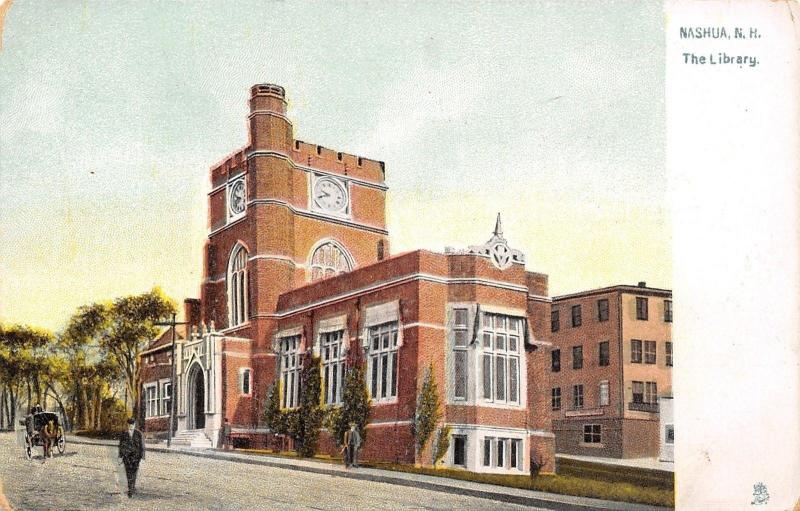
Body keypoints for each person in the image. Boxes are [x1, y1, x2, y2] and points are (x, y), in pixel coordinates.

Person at [118, 418, 145, 498]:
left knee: (134, 473)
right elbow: (121, 446)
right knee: (128, 473)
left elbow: (142, 446)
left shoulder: (139, 434)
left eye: (132, 424)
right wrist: (120, 456)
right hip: (127, 457)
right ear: (127, 425)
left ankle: (131, 488)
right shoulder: (124, 434)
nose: (131, 426)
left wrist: (142, 457)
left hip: (136, 458)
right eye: (129, 425)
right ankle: (131, 489)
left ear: (134, 425)